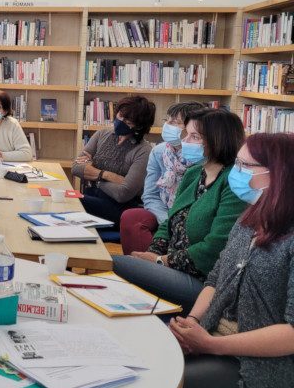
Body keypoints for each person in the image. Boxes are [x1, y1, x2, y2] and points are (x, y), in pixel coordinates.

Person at [167, 132, 294, 388]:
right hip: (211, 338)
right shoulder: (248, 220)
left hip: (260, 368)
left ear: (280, 175)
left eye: (244, 166)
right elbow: (215, 280)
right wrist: (193, 323)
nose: (235, 172)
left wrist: (212, 344)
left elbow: (292, 333)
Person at [112, 107, 247, 314]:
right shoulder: (194, 173)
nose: (185, 141)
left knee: (113, 265)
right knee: (130, 267)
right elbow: (169, 224)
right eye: (186, 134)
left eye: (194, 136)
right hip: (172, 266)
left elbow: (215, 248)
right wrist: (153, 253)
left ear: (217, 140)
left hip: (203, 282)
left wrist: (160, 261)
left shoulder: (232, 183)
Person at [120, 102, 208, 254]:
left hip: (192, 218)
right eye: (166, 121)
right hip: (164, 211)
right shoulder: (159, 152)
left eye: (175, 122)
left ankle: (161, 266)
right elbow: (150, 194)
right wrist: (167, 221)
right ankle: (145, 267)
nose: (167, 126)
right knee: (132, 217)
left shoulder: (201, 157)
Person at [71, 95, 156, 224]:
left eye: (128, 122)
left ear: (138, 126)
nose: (121, 121)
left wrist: (97, 178)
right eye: (120, 116)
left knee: (72, 203)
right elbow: (76, 167)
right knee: (68, 200)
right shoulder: (102, 134)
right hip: (92, 195)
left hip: (119, 209)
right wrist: (108, 176)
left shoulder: (143, 151)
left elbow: (123, 193)